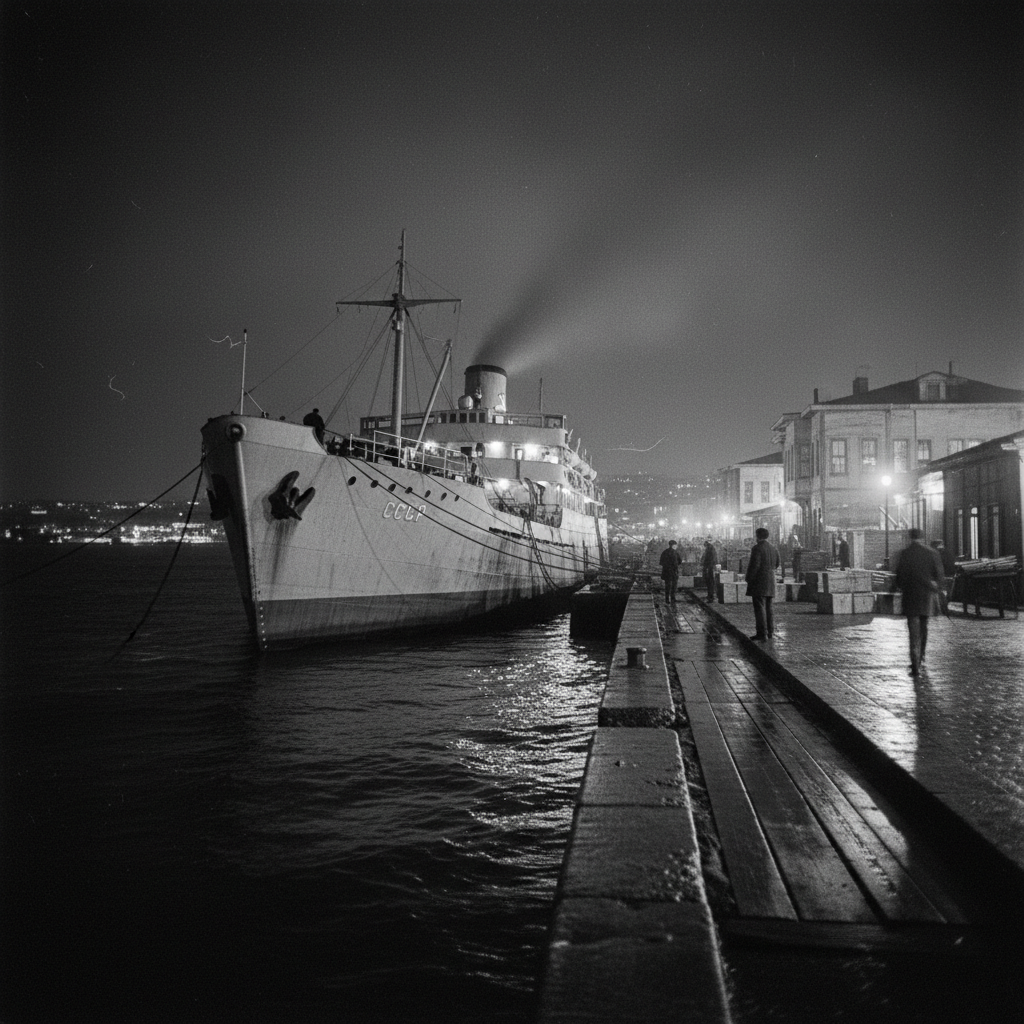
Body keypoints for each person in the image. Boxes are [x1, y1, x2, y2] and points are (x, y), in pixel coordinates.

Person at [893, 528, 945, 675]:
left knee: (912, 631)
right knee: (924, 627)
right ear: (921, 537)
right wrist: (936, 588)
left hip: (910, 597)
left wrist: (900, 587)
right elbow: (939, 575)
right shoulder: (931, 553)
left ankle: (914, 662)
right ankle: (921, 657)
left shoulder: (905, 553)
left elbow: (899, 576)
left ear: (910, 537)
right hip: (925, 597)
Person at [745, 527, 781, 641]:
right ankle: (770, 632)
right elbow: (777, 564)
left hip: (759, 581)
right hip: (771, 581)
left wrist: (748, 578)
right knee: (769, 608)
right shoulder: (773, 548)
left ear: (758, 536)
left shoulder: (757, 548)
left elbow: (754, 565)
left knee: (759, 607)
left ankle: (761, 633)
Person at [659, 540, 682, 606]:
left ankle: (667, 599)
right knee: (674, 586)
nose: (676, 546)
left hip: (667, 572)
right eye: (675, 545)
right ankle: (673, 598)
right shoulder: (675, 552)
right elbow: (680, 561)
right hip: (674, 571)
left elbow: (661, 562)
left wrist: (667, 566)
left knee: (667, 586)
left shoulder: (664, 552)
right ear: (673, 545)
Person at [701, 539, 718, 604]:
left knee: (710, 582)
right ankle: (710, 595)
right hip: (710, 568)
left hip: (709, 568)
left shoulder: (709, 550)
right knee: (710, 582)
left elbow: (708, 559)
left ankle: (710, 596)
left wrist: (707, 567)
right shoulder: (711, 549)